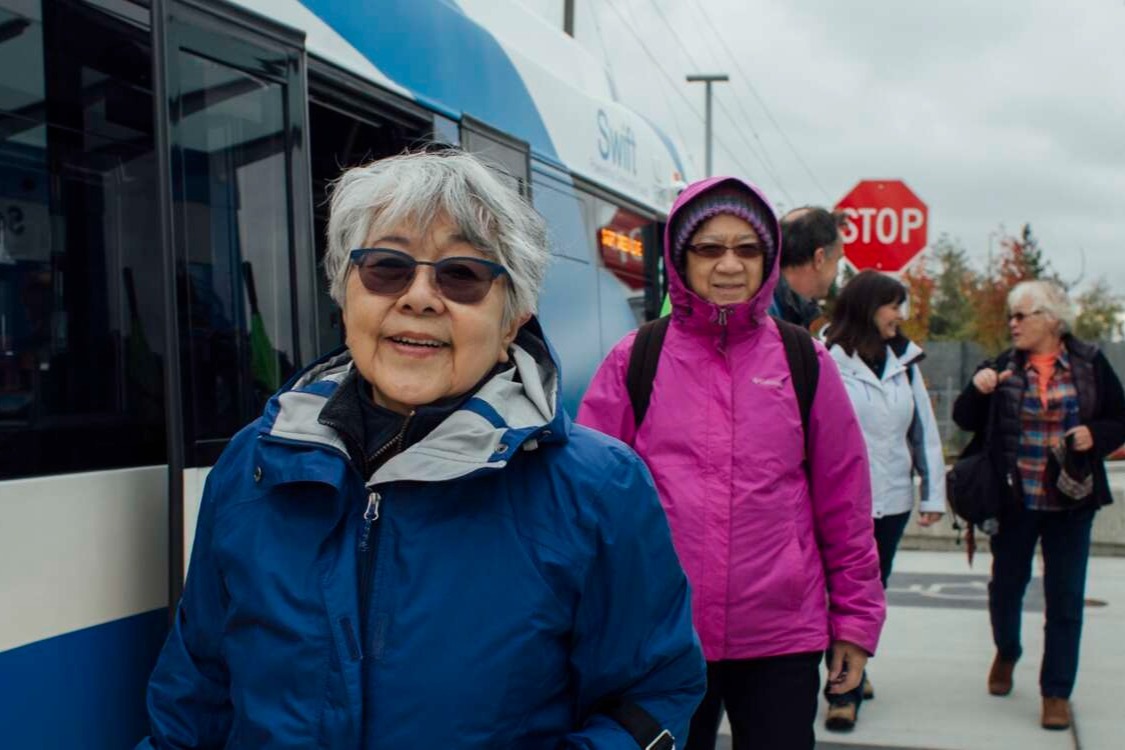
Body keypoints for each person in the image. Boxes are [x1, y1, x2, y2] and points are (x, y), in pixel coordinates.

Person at [138, 150, 706, 749]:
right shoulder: (253, 465)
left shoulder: (598, 489)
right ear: (345, 293)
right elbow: (193, 694)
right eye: (387, 267)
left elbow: (652, 698)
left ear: (514, 317)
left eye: (462, 274)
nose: (420, 297)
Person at [578, 177, 885, 750]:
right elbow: (584, 503)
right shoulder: (635, 358)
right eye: (710, 248)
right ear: (680, 258)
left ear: (767, 261)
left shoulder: (804, 360)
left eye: (747, 249)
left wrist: (855, 622)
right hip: (659, 639)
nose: (728, 265)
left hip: (781, 638)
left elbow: (844, 504)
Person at [952, 280, 1125, 731]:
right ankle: (1008, 651)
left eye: (1021, 315)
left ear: (1051, 320)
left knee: (1065, 600)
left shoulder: (1089, 364)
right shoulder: (1005, 365)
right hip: (1015, 501)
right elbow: (964, 418)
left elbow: (1119, 418)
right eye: (1011, 316)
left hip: (1072, 500)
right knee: (1005, 590)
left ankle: (1056, 692)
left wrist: (1097, 437)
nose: (1013, 323)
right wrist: (979, 388)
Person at [822, 270, 946, 730]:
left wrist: (933, 494)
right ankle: (842, 691)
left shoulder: (905, 361)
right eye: (892, 305)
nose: (899, 315)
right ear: (867, 307)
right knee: (837, 597)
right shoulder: (825, 359)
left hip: (891, 500)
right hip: (839, 504)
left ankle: (856, 665)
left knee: (870, 594)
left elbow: (924, 433)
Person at [768, 206, 845, 329]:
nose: (836, 272)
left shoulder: (775, 305)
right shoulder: (766, 316)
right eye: (837, 260)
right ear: (819, 258)